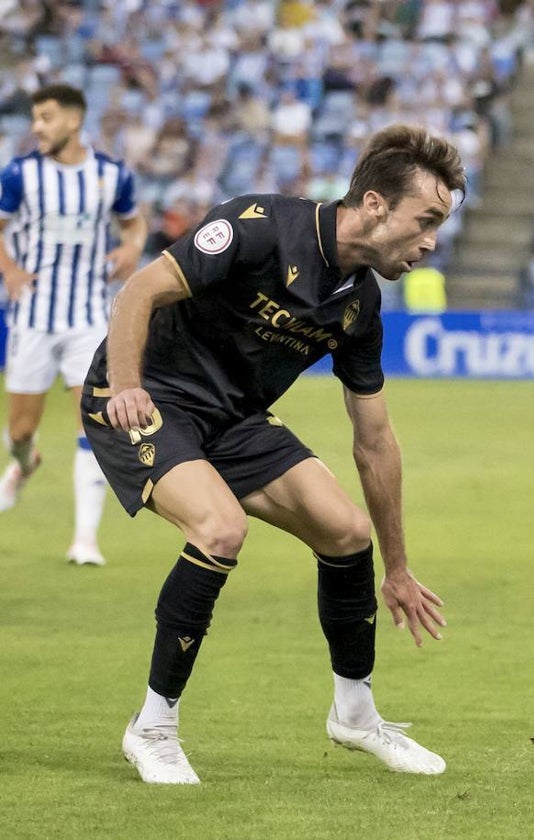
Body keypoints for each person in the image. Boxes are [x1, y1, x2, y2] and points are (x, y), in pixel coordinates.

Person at [81, 124, 464, 784]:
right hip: (145, 396)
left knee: (346, 532)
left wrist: (397, 567)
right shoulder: (258, 226)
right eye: (425, 220)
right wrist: (126, 386)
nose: (430, 242)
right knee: (220, 527)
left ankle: (355, 713)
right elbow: (139, 290)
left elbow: (374, 442)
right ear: (374, 204)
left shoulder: (360, 307)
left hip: (234, 421)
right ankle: (153, 727)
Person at [0, 83, 147, 566]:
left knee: (95, 422)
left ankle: (85, 539)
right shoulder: (20, 175)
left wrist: (129, 247)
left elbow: (133, 222)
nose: (36, 127)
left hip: (88, 317)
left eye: (45, 117)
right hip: (33, 318)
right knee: (20, 430)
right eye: (35, 119)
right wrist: (12, 270)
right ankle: (25, 461)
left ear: (72, 120)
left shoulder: (110, 175)